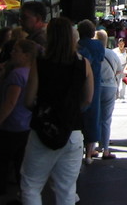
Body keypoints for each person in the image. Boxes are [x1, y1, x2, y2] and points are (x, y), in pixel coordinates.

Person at [20, 17, 93, 205]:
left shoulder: (40, 63)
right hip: (73, 130)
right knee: (66, 189)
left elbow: (28, 100)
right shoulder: (83, 63)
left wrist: (42, 111)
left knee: (31, 185)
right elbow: (87, 99)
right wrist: (71, 110)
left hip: (43, 129)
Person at [0, 39, 36, 205]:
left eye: (16, 51)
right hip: (27, 125)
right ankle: (24, 197)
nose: (12, 53)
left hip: (12, 126)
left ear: (26, 55)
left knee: (1, 166)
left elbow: (10, 103)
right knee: (22, 168)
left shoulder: (17, 74)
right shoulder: (33, 73)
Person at [77, 19, 105, 165]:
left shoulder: (78, 45)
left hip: (79, 84)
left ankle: (78, 151)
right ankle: (89, 153)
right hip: (94, 83)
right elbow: (100, 60)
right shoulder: (98, 45)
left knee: (78, 117)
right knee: (93, 118)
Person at [97, 29, 121, 160]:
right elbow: (119, 71)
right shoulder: (112, 54)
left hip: (96, 86)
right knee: (106, 119)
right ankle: (105, 149)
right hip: (110, 87)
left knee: (94, 117)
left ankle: (91, 148)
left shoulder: (93, 52)